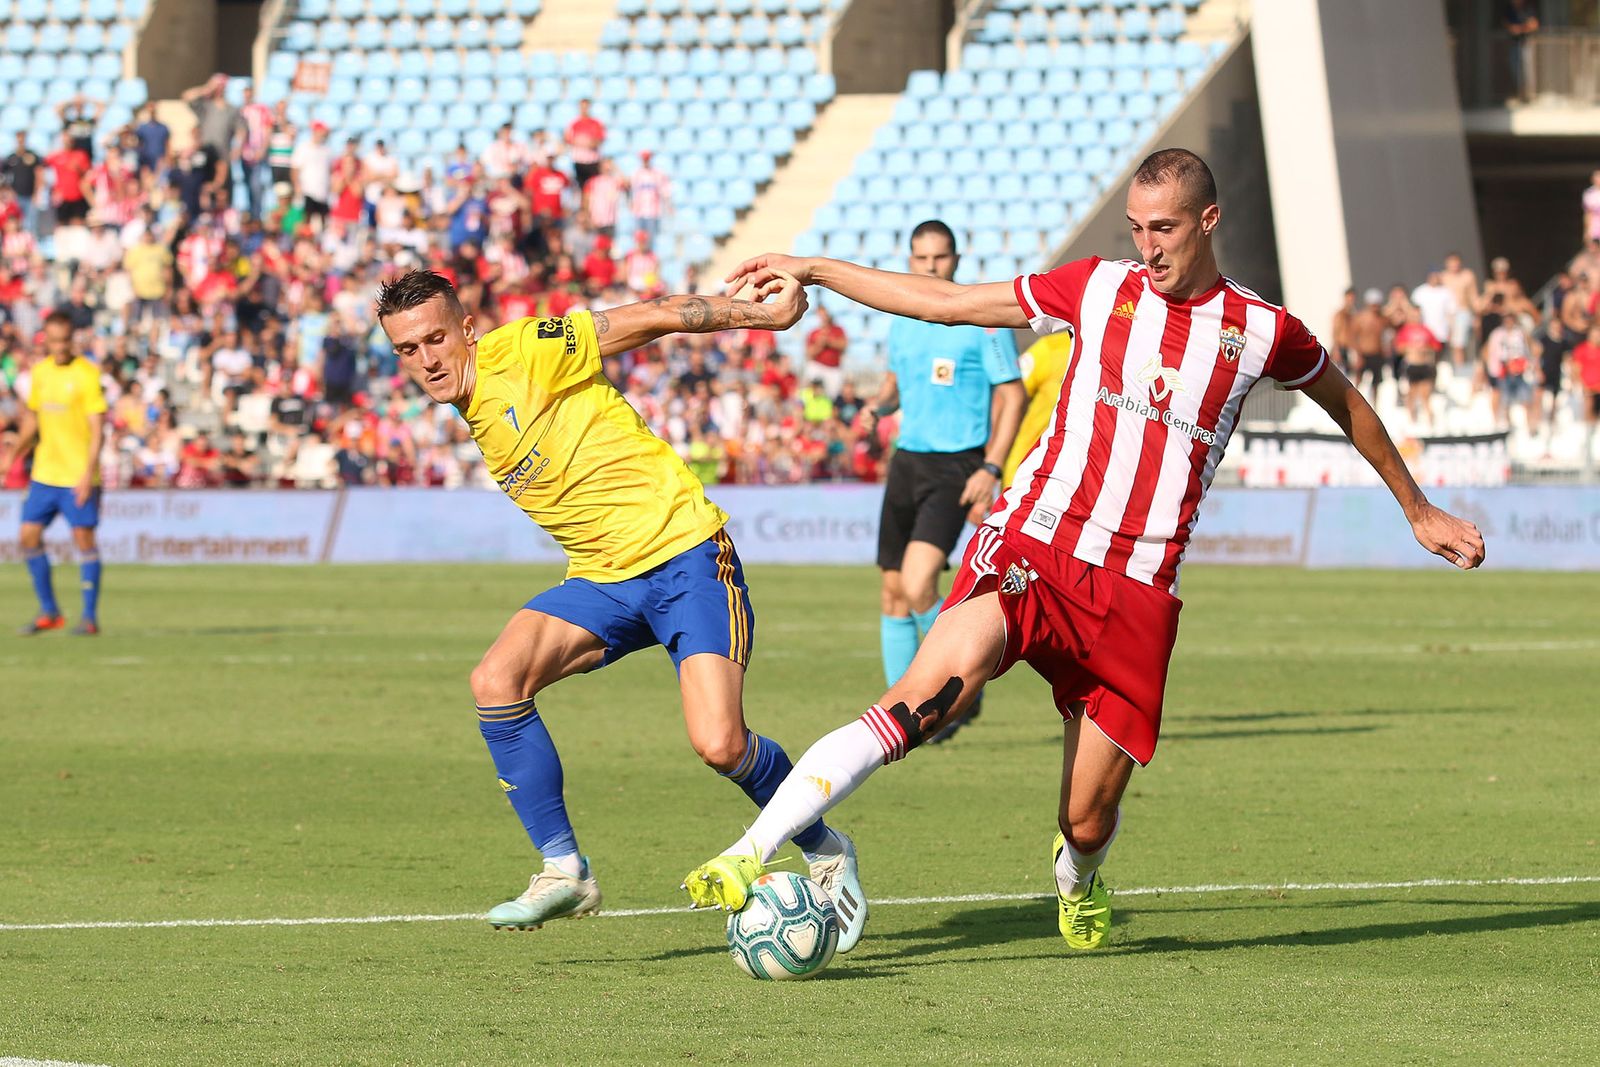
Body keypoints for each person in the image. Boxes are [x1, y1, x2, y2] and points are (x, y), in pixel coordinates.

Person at [682, 148, 1486, 953]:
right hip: (1036, 546)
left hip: (1136, 594)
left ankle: (1080, 877)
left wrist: (1417, 509)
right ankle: (748, 852)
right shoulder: (1098, 288)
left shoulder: (1262, 330)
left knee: (1086, 816)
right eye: (1137, 228)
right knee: (928, 697)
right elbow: (951, 303)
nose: (1149, 247)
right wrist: (814, 268)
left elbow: (1348, 403)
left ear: (1208, 221)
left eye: (1165, 228)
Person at [373, 268, 866, 943]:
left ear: (466, 328)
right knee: (496, 679)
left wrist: (760, 318)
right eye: (407, 349)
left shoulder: (524, 350)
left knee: (720, 743)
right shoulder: (471, 405)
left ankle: (824, 845)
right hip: (605, 578)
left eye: (434, 339)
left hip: (685, 552)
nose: (426, 360)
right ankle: (564, 869)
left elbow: (654, 314)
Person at [862, 219, 1024, 704]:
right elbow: (896, 386)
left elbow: (1012, 397)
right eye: (921, 259)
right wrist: (877, 408)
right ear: (910, 261)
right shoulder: (901, 320)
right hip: (907, 461)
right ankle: (901, 704)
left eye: (940, 258)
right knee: (892, 591)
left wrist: (990, 467)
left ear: (956, 260)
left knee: (917, 584)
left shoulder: (983, 322)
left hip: (956, 466)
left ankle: (958, 687)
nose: (931, 267)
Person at [0, 310, 108, 635]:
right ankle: (50, 611)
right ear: (45, 339)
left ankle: (89, 618)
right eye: (54, 341)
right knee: (28, 536)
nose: (59, 347)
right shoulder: (41, 373)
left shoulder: (87, 374)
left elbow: (97, 428)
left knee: (82, 538)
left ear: (73, 338)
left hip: (77, 474)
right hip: (45, 472)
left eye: (65, 341)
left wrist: (88, 473)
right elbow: (33, 422)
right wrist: (12, 455)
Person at [1001, 327, 1075, 485]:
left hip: (1083, 483)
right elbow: (1005, 399)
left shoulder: (1125, 357)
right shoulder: (1050, 348)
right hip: (1026, 478)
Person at [802, 305, 847, 398]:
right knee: (810, 388)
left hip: (833, 368)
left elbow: (844, 345)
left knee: (832, 395)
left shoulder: (837, 330)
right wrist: (820, 344)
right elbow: (809, 353)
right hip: (818, 365)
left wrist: (829, 342)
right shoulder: (813, 333)